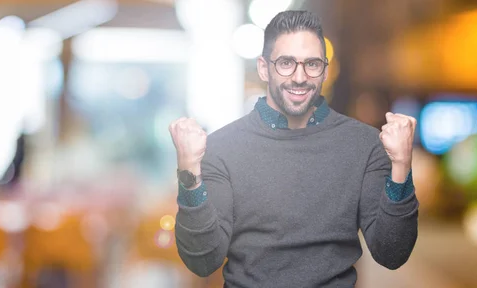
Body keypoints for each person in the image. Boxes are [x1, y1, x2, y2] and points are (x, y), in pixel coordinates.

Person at [168, 10, 418, 287]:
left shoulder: (364, 145)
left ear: (325, 68)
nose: (299, 77)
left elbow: (392, 253)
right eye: (286, 63)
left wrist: (401, 166)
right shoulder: (221, 148)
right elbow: (202, 261)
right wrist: (188, 170)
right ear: (264, 68)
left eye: (312, 64)